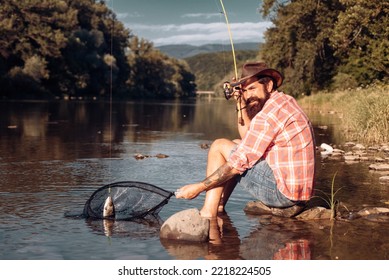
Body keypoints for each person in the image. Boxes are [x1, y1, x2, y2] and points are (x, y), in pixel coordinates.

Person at [176, 62, 316, 218]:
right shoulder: (284, 101)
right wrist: (240, 103)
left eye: (252, 89)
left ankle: (208, 212)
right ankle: (219, 205)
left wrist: (199, 187)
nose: (248, 95)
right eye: (244, 90)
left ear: (268, 85)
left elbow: (238, 163)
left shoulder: (268, 115)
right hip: (299, 192)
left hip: (284, 195)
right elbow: (247, 138)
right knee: (236, 143)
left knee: (218, 146)